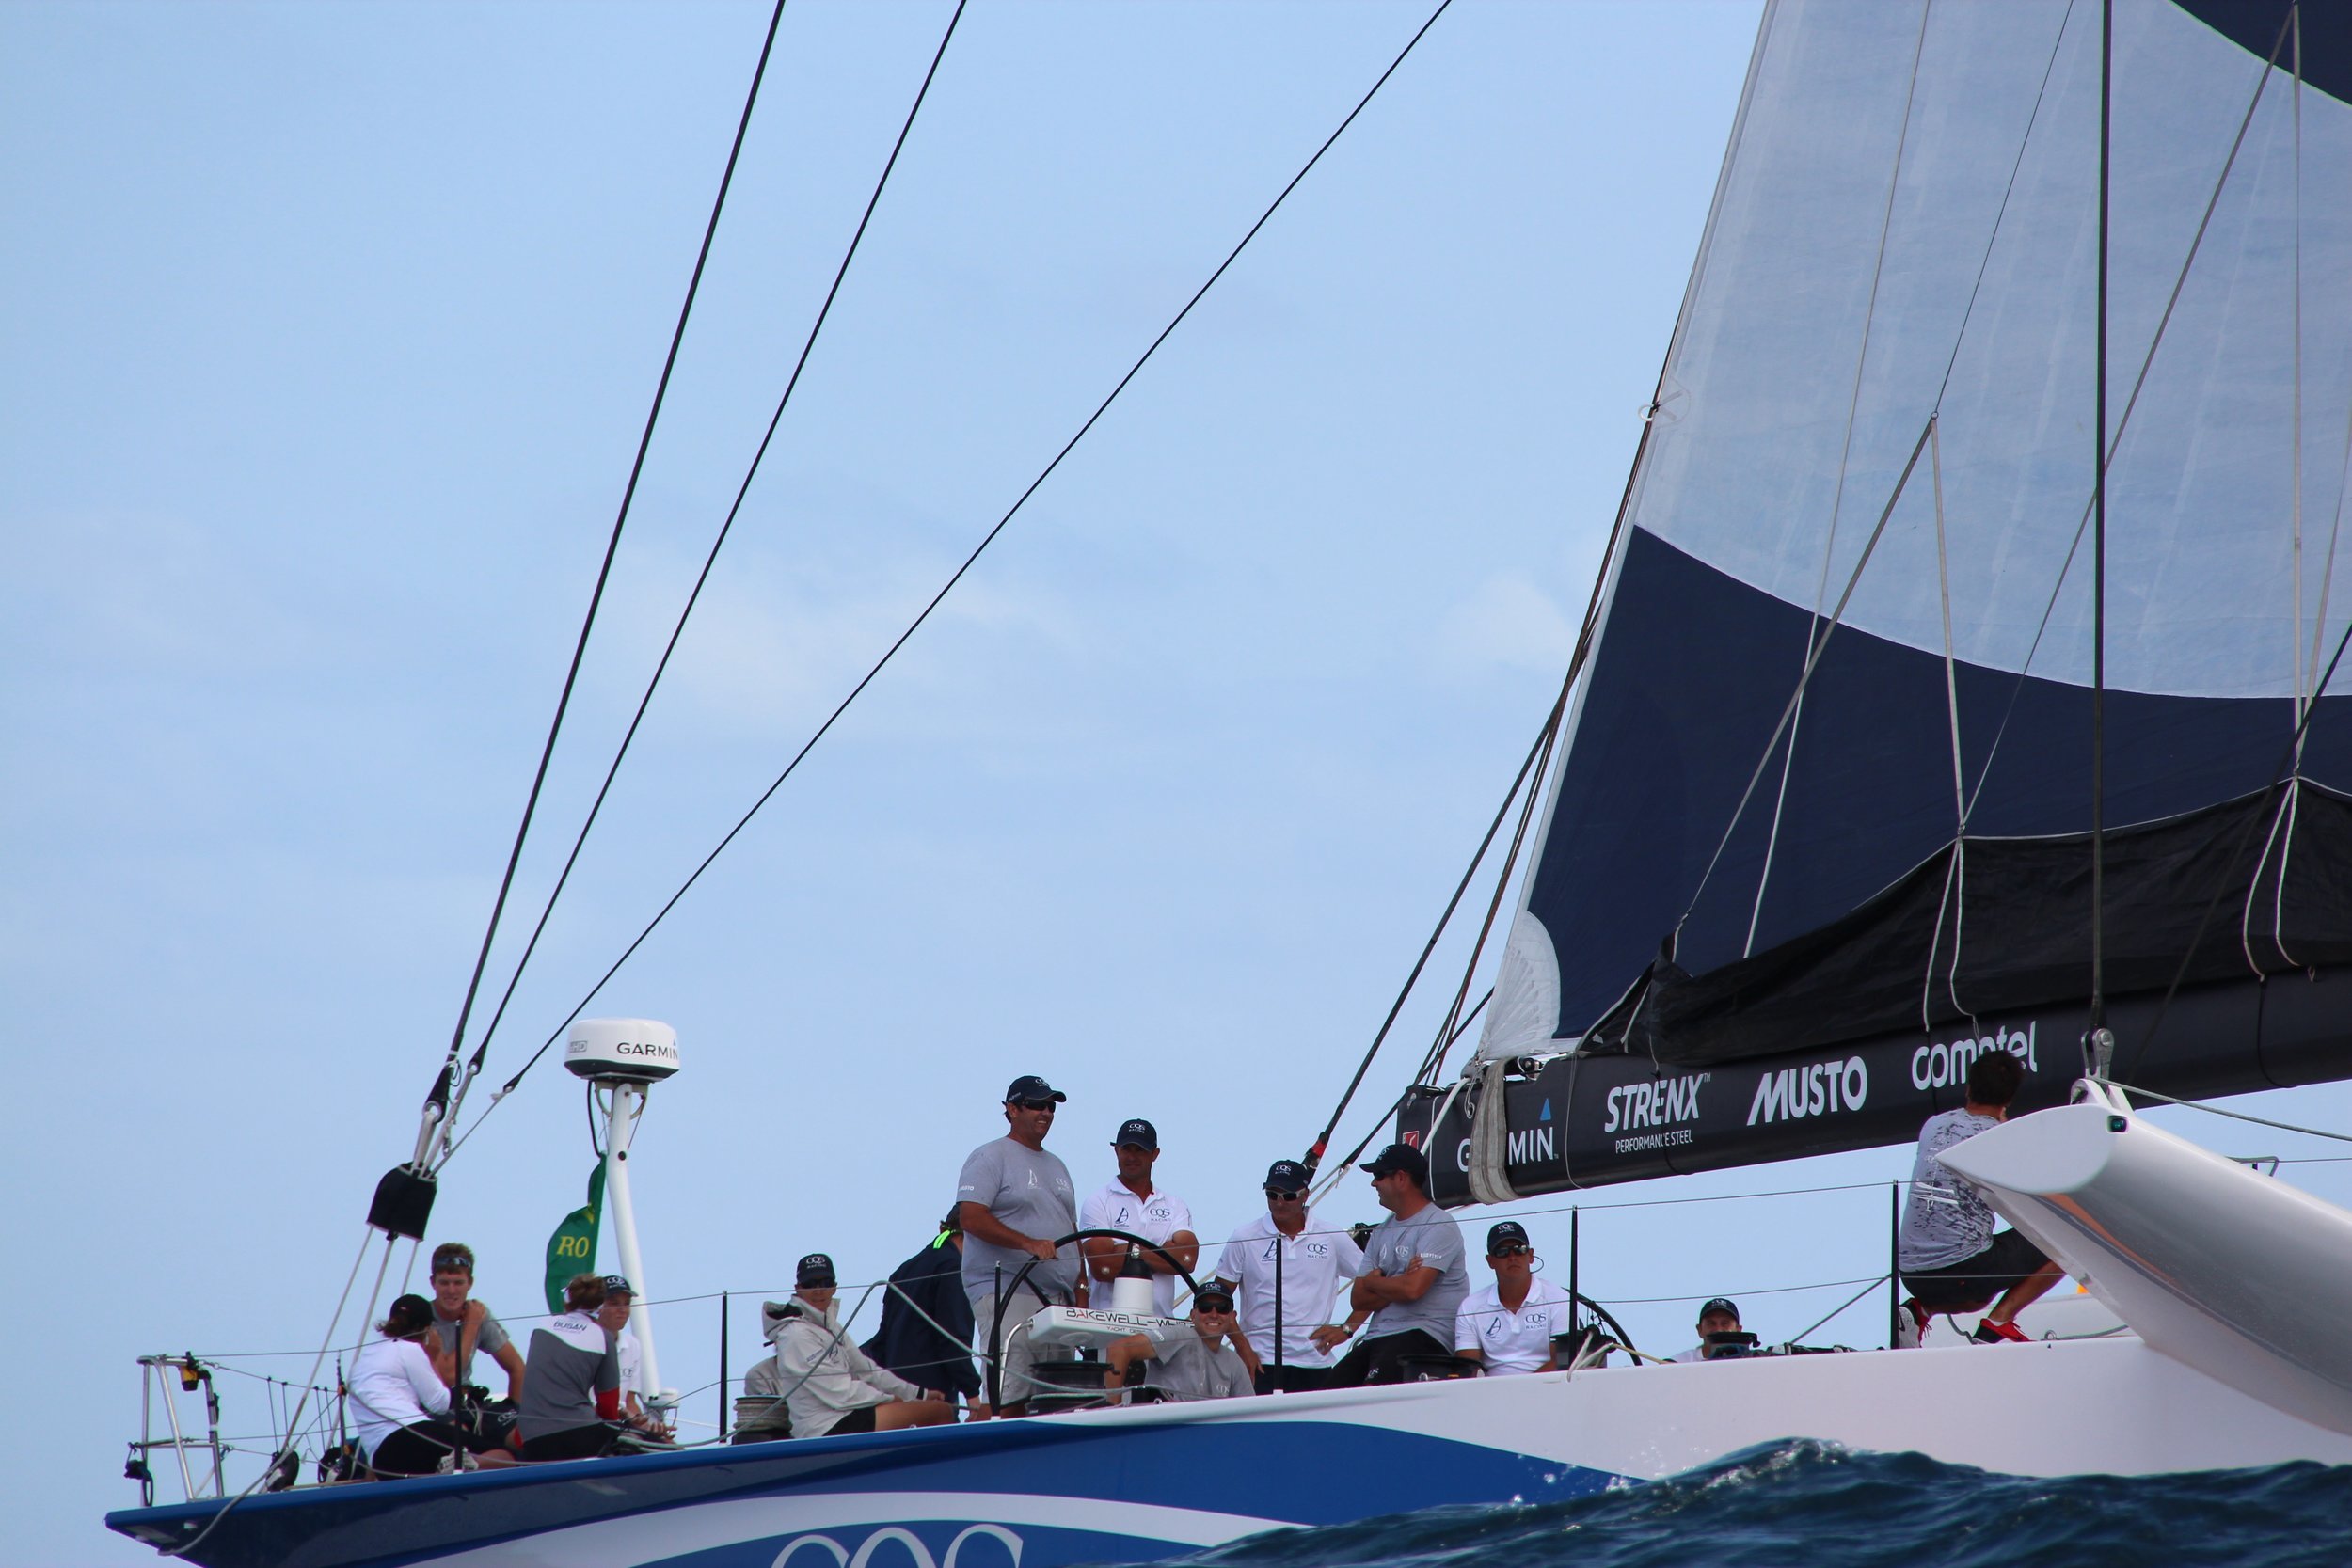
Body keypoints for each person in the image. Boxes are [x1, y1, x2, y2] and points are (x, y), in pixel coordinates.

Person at [1898, 1051, 2066, 1344]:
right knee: (2068, 1237)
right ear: (2009, 1100)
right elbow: (2030, 1198)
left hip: (1912, 1273)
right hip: (1963, 1271)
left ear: (1968, 1088)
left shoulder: (1933, 1125)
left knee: (1977, 1296)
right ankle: (1998, 1325)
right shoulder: (2001, 1139)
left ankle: (1918, 1310)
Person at [956, 1073, 1086, 1417]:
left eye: (1050, 1106)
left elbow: (1071, 1229)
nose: (1045, 1112)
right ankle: (983, 1461)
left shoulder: (1058, 1165)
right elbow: (970, 1217)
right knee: (1006, 1395)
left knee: (1056, 1398)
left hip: (1058, 1301)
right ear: (1012, 1109)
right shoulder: (989, 1156)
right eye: (1036, 1105)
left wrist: (1081, 1287)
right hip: (1009, 1291)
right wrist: (1028, 1243)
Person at [1214, 1158, 1365, 1393]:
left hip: (1316, 1362)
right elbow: (1218, 1300)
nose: (1279, 1202)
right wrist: (1243, 1349)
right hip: (1259, 1362)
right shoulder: (1244, 1236)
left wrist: (1347, 1329)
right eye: (1272, 1194)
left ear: (1305, 1195)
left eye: (1288, 1195)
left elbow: (1374, 1284)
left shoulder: (1331, 1235)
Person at [1324, 1143, 1470, 1387]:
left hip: (1424, 1335)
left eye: (1379, 1176)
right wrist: (1397, 1281)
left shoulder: (1439, 1225)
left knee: (1373, 1391)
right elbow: (1358, 1299)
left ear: (1401, 1178)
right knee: (1326, 1395)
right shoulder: (1382, 1230)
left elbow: (1412, 1290)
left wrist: (1375, 1282)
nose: (1374, 1183)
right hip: (1377, 1337)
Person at [771, 1253, 957, 1437]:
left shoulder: (830, 1327)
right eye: (810, 1284)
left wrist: (919, 1393)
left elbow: (867, 1369)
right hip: (823, 1426)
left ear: (835, 1287)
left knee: (930, 1408)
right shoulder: (796, 1334)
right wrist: (891, 1399)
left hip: (843, 1414)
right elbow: (839, 1391)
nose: (818, 1290)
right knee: (940, 1412)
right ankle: (945, 1465)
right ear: (798, 1288)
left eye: (825, 1282)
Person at [347, 1294, 516, 1477]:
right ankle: (465, 1465)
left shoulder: (362, 1361)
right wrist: (434, 1355)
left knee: (432, 1465)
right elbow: (439, 1403)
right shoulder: (410, 1349)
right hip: (411, 1434)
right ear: (426, 1329)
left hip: (382, 1460)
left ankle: (446, 1468)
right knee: (504, 1456)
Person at [862, 1210, 981, 1413]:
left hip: (898, 1393)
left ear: (942, 1229)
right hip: (933, 1395)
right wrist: (973, 1395)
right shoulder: (953, 1268)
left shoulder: (903, 1270)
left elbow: (883, 1339)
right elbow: (951, 1337)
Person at [1079, 1118, 1200, 1317]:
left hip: (1160, 1327)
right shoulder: (1097, 1201)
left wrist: (1129, 1252)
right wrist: (1160, 1251)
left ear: (1155, 1154)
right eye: (1127, 1149)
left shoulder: (1175, 1205)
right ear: (1116, 1150)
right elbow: (1102, 1266)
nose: (1132, 1156)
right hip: (1107, 1325)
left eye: (1140, 1150)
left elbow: (1187, 1260)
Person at [516, 1273, 623, 1462]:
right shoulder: (603, 1337)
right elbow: (608, 1406)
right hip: (579, 1434)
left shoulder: (542, 1327)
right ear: (600, 1306)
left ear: (567, 1299)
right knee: (634, 1441)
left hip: (532, 1439)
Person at [1453, 1221, 1575, 1375]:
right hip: (1491, 1394)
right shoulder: (1470, 1307)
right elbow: (1467, 1369)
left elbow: (1561, 1361)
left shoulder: (1560, 1298)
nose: (1512, 1257)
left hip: (1548, 1390)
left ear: (1530, 1256)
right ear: (1490, 1261)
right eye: (1502, 1252)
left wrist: (1522, 1391)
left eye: (1519, 1250)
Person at [1101, 1284, 1252, 1403]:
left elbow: (1250, 1413)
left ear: (1232, 1317)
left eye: (1222, 1308)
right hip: (1164, 1432)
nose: (1213, 1314)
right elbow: (1119, 1349)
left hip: (1207, 1437)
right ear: (1193, 1315)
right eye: (1205, 1307)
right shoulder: (1180, 1335)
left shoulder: (1235, 1363)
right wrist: (1112, 1411)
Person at [424, 1242, 526, 1400]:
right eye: (444, 1283)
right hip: (431, 1403)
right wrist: (471, 1326)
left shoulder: (478, 1313)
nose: (451, 1290)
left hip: (467, 1402)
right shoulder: (422, 1319)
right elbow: (449, 1377)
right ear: (432, 1283)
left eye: (458, 1283)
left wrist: (515, 1413)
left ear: (470, 1283)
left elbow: (518, 1368)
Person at [594, 1275, 669, 1436]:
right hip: (593, 1424)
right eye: (614, 1303)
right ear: (598, 1307)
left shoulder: (632, 1345)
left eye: (627, 1304)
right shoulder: (585, 1344)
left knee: (669, 1446)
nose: (622, 1309)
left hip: (623, 1425)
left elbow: (630, 1401)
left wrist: (650, 1427)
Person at [1670, 1298, 1752, 1362]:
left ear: (1738, 1330)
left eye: (1725, 1323)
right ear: (1700, 1330)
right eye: (1711, 1323)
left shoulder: (1752, 1362)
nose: (1718, 1330)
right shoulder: (1678, 1363)